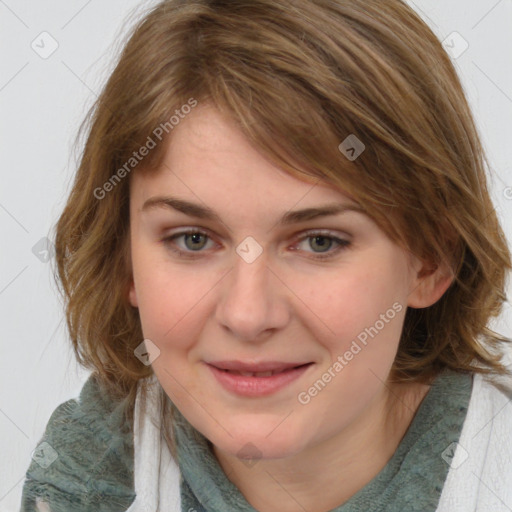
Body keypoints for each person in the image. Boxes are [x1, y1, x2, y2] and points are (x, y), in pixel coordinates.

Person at [20, 0, 512, 511]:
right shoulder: (92, 477)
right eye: (192, 239)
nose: (248, 315)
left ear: (430, 260)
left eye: (320, 242)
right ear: (125, 260)